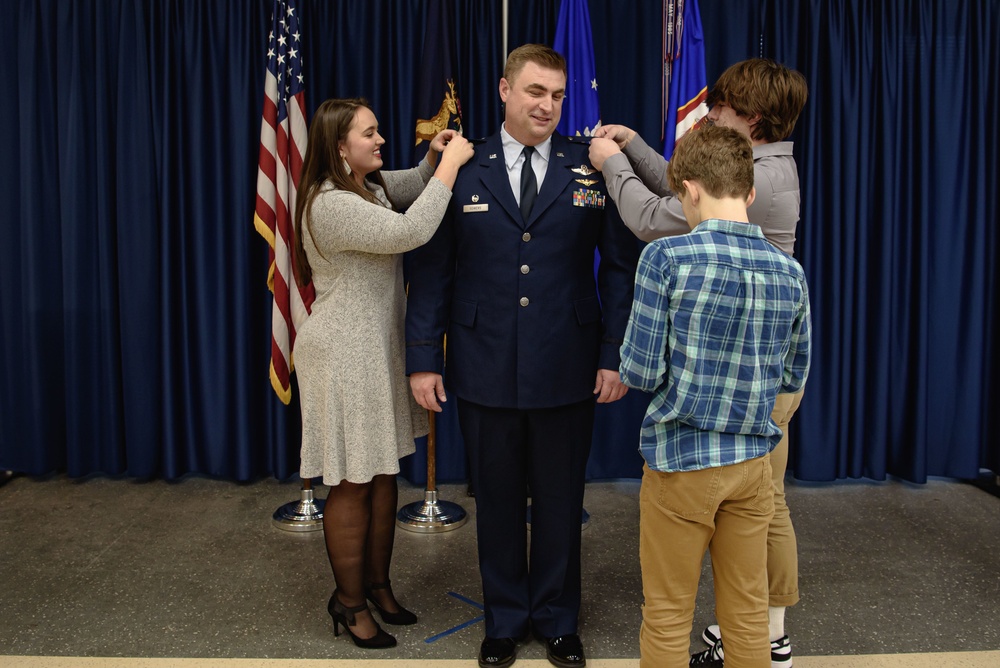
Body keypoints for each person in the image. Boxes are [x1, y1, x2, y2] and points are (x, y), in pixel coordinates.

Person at [405, 44, 639, 668]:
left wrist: (615, 353)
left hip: (569, 359)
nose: (548, 105)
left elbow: (619, 269)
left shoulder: (589, 164)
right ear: (505, 89)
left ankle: (560, 621)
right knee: (499, 501)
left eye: (558, 95)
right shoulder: (464, 164)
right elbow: (433, 270)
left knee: (561, 501)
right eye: (536, 91)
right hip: (484, 361)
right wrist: (424, 357)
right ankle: (505, 621)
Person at [589, 58, 809, 667]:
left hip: (682, 458)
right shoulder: (788, 269)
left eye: (722, 109)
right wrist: (636, 148)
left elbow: (638, 367)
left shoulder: (666, 261)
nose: (711, 113)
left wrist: (613, 162)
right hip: (752, 459)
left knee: (666, 612)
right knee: (743, 610)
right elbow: (794, 371)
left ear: (753, 119)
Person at [292, 98, 473, 649]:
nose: (380, 141)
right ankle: (347, 604)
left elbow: (407, 184)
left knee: (382, 473)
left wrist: (432, 159)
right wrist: (451, 166)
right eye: (369, 135)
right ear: (339, 147)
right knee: (352, 480)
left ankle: (376, 586)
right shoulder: (330, 203)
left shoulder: (360, 186)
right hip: (344, 353)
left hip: (375, 349)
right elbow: (411, 230)